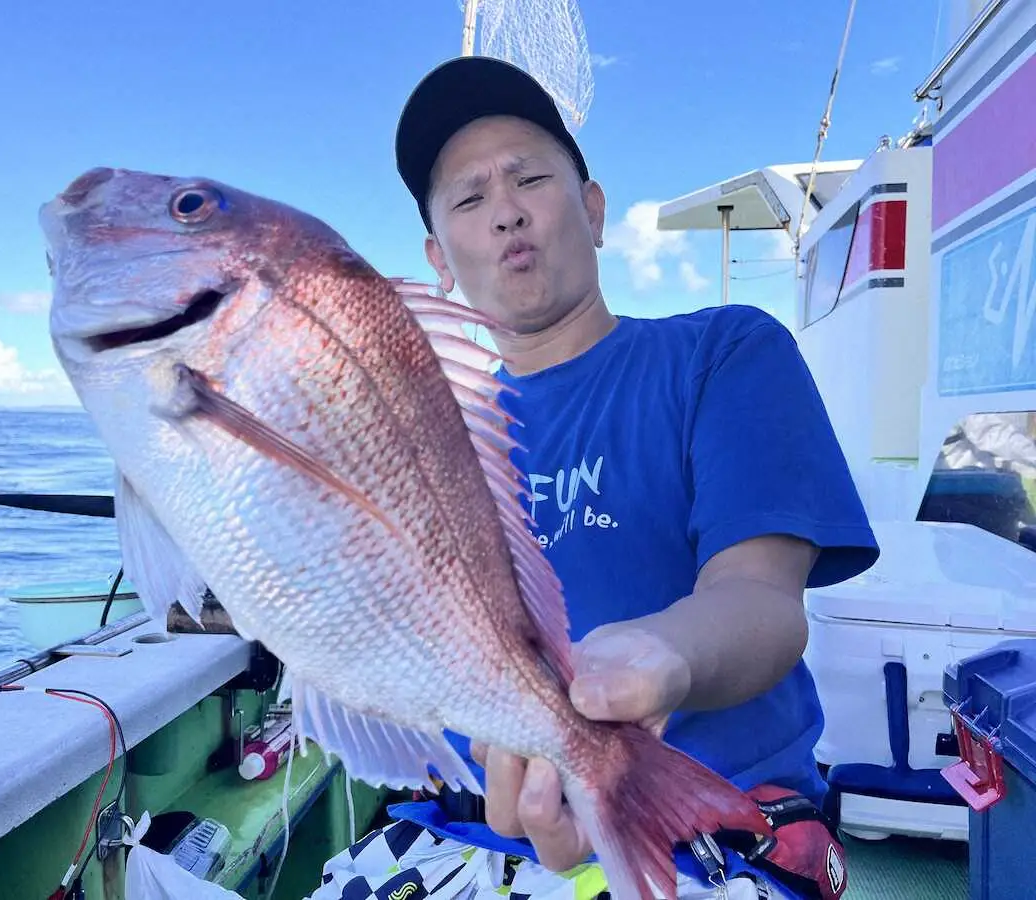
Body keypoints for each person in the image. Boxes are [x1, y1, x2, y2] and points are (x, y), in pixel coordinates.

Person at [308, 56, 879, 900]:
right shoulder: (416, 440)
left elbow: (762, 601)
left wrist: (666, 658)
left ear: (595, 208)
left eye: (530, 177)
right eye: (468, 199)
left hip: (705, 835)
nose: (504, 210)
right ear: (438, 257)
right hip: (453, 833)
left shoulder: (722, 353)